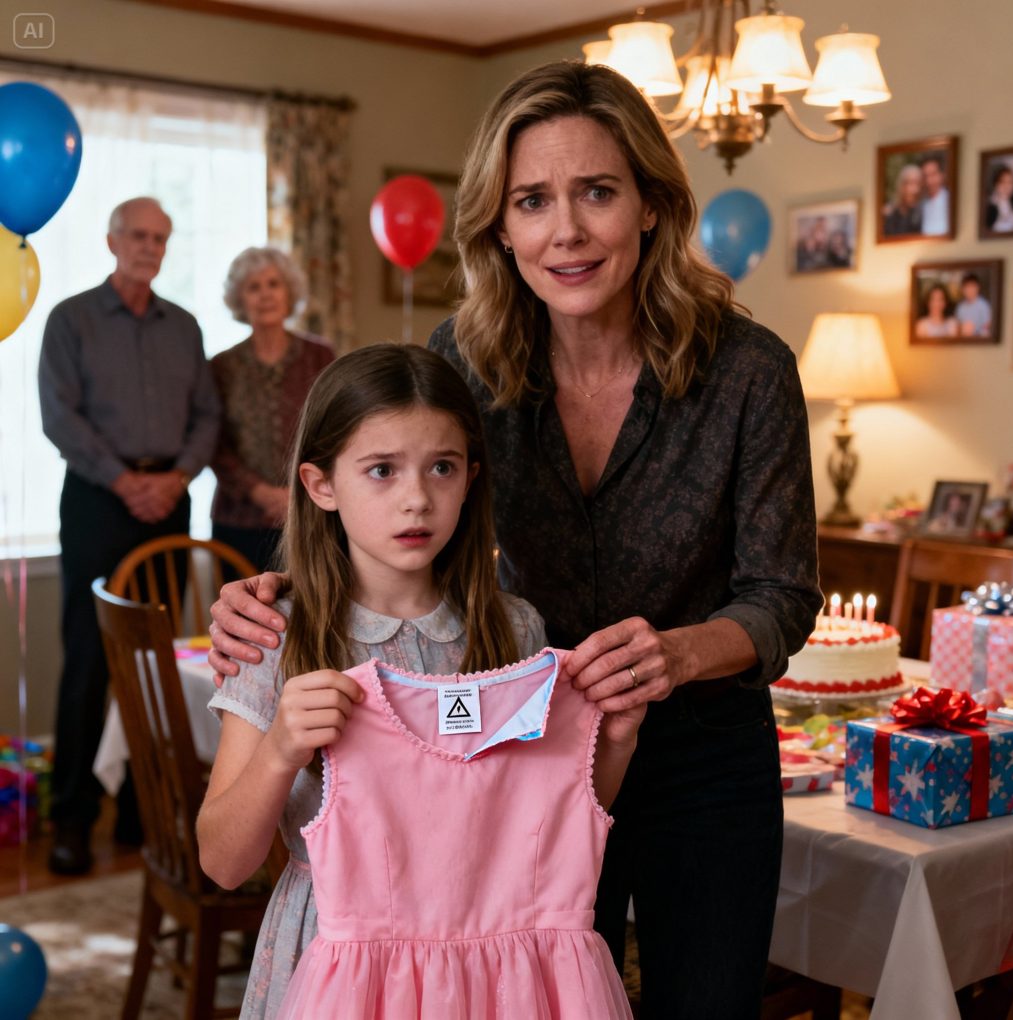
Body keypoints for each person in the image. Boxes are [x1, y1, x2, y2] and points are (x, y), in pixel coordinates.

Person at [209, 61, 821, 1019]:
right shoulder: (464, 357)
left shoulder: (749, 371)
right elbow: (385, 489)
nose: (564, 231)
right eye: (533, 200)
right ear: (499, 223)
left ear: (652, 206)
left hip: (701, 760)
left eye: (597, 192)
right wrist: (276, 592)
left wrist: (675, 656)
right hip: (508, 760)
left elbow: (782, 593)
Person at [197, 343, 641, 1019]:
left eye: (442, 467)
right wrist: (280, 747)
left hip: (493, 975)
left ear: (470, 478)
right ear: (320, 485)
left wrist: (616, 742)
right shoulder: (273, 637)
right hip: (338, 965)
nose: (417, 499)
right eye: (382, 470)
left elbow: (550, 824)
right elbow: (224, 863)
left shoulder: (515, 629)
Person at [38, 196, 220, 875]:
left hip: (169, 500)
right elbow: (60, 416)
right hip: (96, 501)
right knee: (89, 663)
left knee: (155, 661)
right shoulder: (71, 318)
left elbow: (207, 416)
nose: (149, 247)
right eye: (138, 236)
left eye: (160, 238)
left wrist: (177, 478)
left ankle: (142, 812)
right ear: (112, 241)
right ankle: (72, 819)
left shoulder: (185, 327)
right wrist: (123, 481)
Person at [211, 247, 334, 572]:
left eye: (273, 284)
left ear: (289, 292)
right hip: (238, 519)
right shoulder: (221, 366)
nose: (265, 294)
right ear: (239, 299)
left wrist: (294, 492)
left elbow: (334, 429)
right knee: (240, 604)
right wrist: (259, 492)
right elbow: (213, 442)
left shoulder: (320, 356)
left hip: (307, 511)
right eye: (253, 287)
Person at [883, 162, 923, 236]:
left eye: (918, 184)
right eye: (911, 183)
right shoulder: (888, 214)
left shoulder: (920, 213)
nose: (916, 190)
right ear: (902, 186)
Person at [920, 154, 951, 235]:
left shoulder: (951, 201)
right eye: (925, 176)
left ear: (942, 175)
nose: (929, 181)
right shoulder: (921, 204)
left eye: (933, 174)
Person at [955, 273, 993, 338]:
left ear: (978, 287)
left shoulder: (984, 305)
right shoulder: (960, 307)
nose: (970, 290)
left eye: (972, 286)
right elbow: (958, 326)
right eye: (967, 287)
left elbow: (987, 326)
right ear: (962, 289)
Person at [985, 163, 1013, 233]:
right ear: (995, 184)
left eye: (1010, 182)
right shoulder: (990, 206)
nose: (1007, 186)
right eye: (1003, 182)